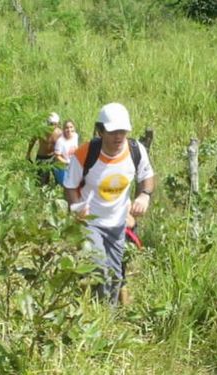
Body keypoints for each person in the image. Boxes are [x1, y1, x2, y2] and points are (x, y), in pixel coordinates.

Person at [63, 103, 154, 306]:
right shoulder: (85, 153)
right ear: (100, 131)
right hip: (91, 222)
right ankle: (93, 314)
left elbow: (147, 177)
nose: (118, 137)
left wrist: (144, 196)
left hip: (119, 224)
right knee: (99, 268)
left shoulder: (135, 150)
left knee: (114, 275)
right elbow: (69, 185)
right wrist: (76, 206)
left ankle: (107, 319)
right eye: (112, 132)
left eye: (122, 131)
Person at [26, 112, 63, 185]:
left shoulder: (59, 133)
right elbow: (32, 141)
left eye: (54, 124)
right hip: (42, 158)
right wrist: (28, 153)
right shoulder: (41, 131)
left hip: (53, 157)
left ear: (57, 124)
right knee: (41, 182)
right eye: (50, 123)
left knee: (59, 180)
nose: (52, 126)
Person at [53, 120, 79, 185]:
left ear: (74, 128)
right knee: (65, 185)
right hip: (62, 168)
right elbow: (57, 156)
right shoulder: (60, 141)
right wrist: (67, 162)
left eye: (71, 127)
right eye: (66, 128)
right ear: (63, 129)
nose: (69, 129)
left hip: (73, 166)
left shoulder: (75, 136)